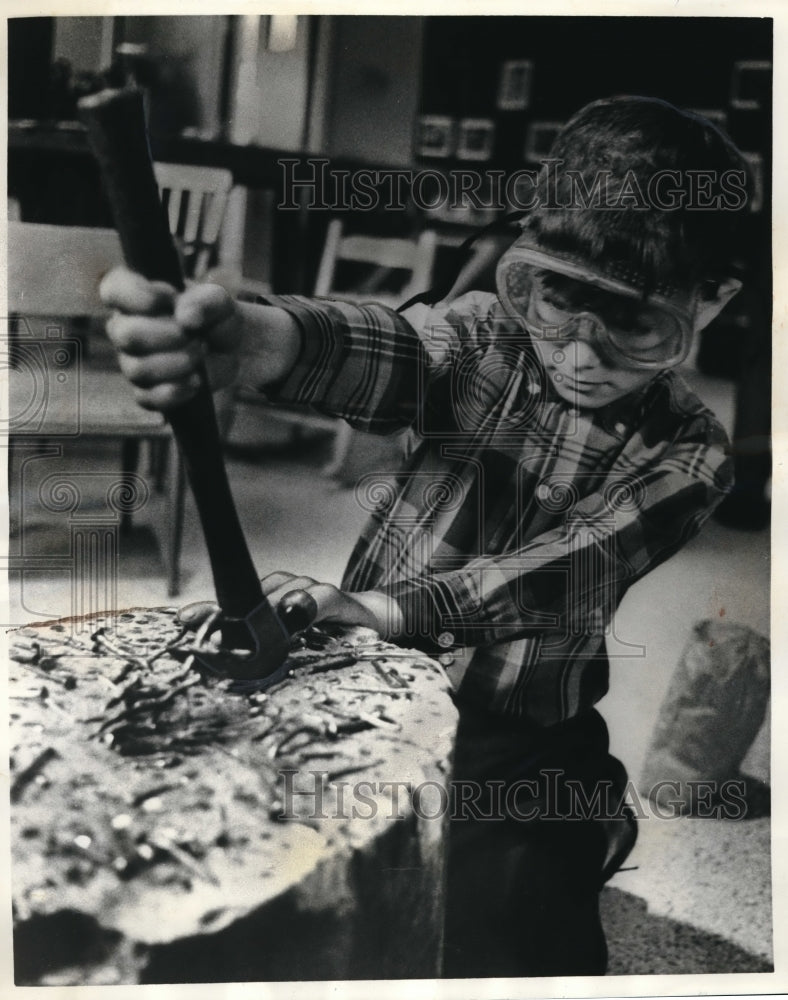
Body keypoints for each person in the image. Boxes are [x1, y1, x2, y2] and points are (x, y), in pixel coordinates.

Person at [100, 96, 750, 977]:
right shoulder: (485, 335)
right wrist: (254, 340)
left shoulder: (692, 451)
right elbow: (389, 346)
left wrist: (381, 608)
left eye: (633, 322)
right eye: (558, 299)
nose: (580, 355)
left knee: (517, 935)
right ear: (527, 269)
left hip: (511, 734)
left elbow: (561, 571)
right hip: (358, 682)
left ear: (711, 302)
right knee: (229, 876)